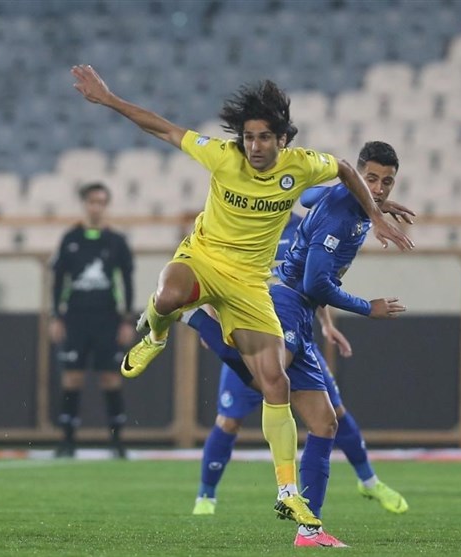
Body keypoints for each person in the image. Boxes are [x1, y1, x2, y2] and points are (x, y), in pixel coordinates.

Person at [72, 64, 413, 526]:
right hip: (204, 257)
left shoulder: (301, 166)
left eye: (264, 138)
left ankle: (288, 493)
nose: (254, 146)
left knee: (275, 382)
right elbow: (163, 128)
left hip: (251, 283)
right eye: (249, 137)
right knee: (169, 295)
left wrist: (374, 212)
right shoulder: (222, 155)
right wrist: (109, 99)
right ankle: (156, 335)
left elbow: (345, 170)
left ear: (282, 140)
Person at [185, 141, 410, 547]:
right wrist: (368, 307)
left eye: (386, 182)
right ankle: (197, 319)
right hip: (285, 302)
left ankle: (310, 531)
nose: (378, 188)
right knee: (264, 382)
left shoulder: (346, 198)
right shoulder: (341, 219)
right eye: (370, 179)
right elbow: (316, 283)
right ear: (357, 174)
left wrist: (371, 202)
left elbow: (307, 196)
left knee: (325, 421)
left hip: (301, 313)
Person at [49, 182, 136, 458]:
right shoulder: (70, 239)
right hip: (75, 317)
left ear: (106, 205)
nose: (96, 207)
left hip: (107, 318)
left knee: (111, 378)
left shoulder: (116, 241)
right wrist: (56, 316)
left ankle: (117, 442)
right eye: (92, 202)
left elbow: (127, 281)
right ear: (84, 204)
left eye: (101, 202)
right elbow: (58, 280)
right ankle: (67, 442)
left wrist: (126, 320)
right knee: (72, 377)